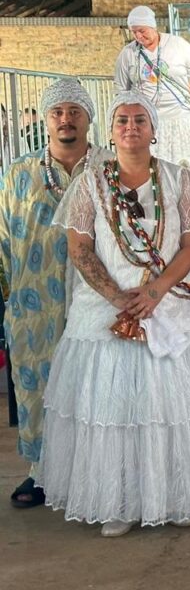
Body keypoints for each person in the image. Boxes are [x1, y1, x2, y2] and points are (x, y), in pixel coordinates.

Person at [40, 91, 190, 537]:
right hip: (105, 311)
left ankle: (177, 497)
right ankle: (116, 501)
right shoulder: (90, 183)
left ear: (154, 130)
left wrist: (155, 291)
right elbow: (79, 247)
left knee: (173, 408)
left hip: (169, 306)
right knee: (112, 410)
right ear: (110, 131)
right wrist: (118, 298)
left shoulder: (179, 180)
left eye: (140, 120)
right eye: (122, 121)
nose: (131, 128)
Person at [0, 79, 109, 509]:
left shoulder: (109, 167)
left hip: (96, 295)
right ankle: (41, 472)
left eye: (74, 111)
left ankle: (98, 467)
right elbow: (6, 238)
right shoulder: (19, 174)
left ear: (88, 118)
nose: (66, 119)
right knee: (38, 386)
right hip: (35, 302)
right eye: (57, 112)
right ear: (46, 120)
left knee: (97, 382)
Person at [114, 5, 190, 165]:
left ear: (152, 26)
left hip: (181, 118)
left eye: (142, 30)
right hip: (148, 122)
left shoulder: (178, 45)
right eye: (134, 32)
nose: (138, 36)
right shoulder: (128, 54)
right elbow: (121, 90)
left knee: (188, 166)